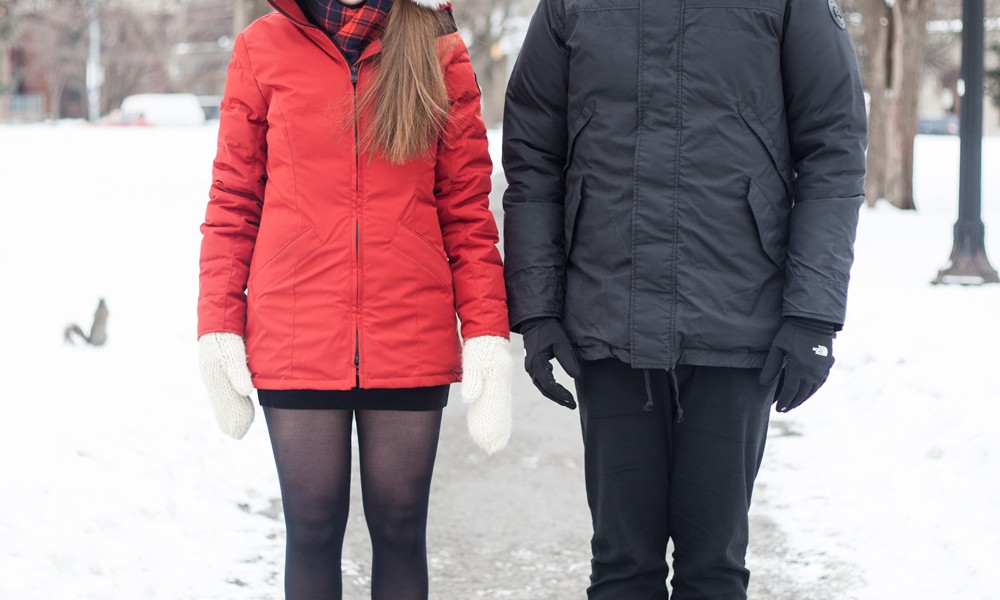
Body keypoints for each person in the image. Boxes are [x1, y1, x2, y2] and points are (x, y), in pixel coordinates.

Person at [502, 0, 867, 597]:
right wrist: (538, 308)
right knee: (622, 567)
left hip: (736, 315)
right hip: (609, 314)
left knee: (714, 570)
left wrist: (813, 313)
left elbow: (833, 147)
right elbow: (533, 152)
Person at [196, 0, 512, 598]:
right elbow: (233, 200)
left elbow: (468, 212)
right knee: (312, 529)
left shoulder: (435, 46)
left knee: (400, 529)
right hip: (296, 330)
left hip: (409, 328)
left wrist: (487, 337)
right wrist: (218, 326)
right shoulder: (262, 47)